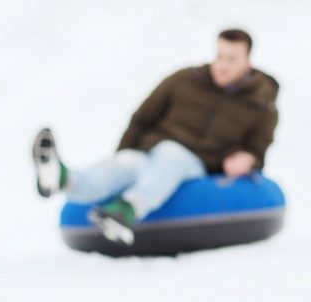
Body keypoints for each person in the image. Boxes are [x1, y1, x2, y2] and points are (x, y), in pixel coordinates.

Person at [32, 29, 279, 245]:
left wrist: (247, 159)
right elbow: (142, 118)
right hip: (150, 152)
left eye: (232, 59)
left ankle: (127, 210)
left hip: (195, 163)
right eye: (219, 56)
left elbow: (258, 150)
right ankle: (64, 179)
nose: (222, 65)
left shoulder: (261, 104)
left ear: (248, 61)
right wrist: (126, 151)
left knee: (172, 156)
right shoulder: (183, 80)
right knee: (122, 166)